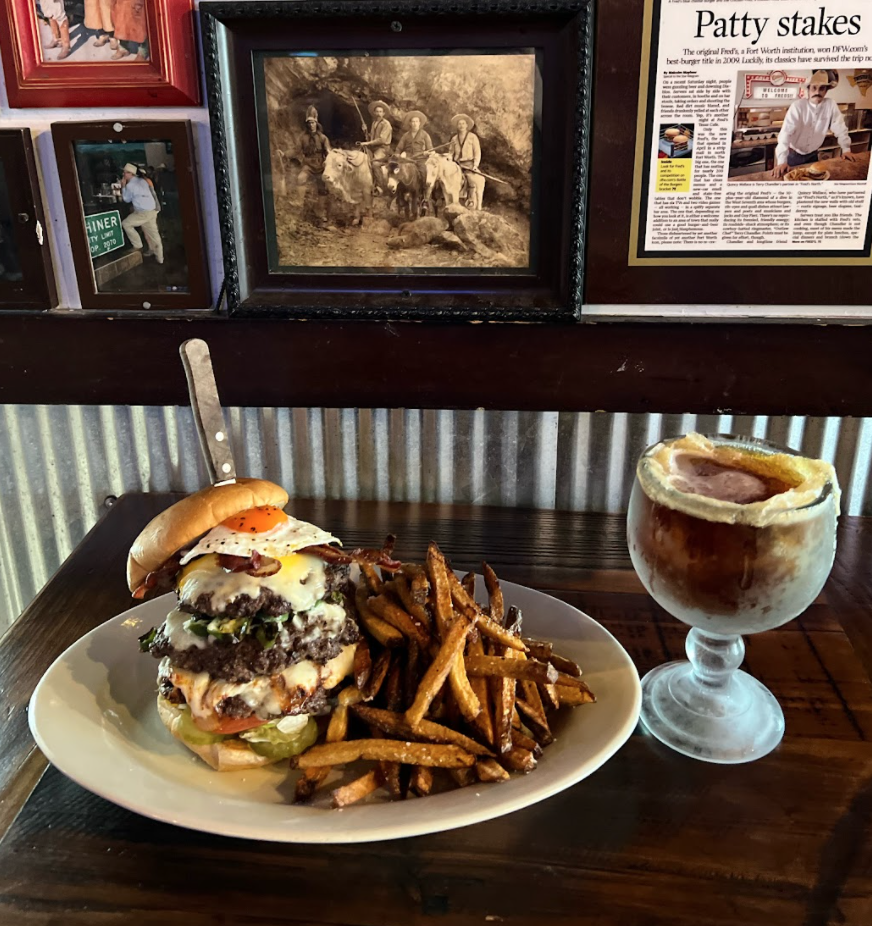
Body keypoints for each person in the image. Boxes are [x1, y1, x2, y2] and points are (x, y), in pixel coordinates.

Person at [772, 70, 856, 178]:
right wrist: (782, 161)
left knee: (812, 182)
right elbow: (785, 134)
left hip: (813, 155)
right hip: (793, 156)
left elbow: (840, 127)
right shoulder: (797, 106)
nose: (817, 92)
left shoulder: (830, 105)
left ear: (826, 91)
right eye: (814, 88)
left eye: (822, 88)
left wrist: (846, 149)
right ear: (808, 90)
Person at [120, 162, 163, 264]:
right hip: (152, 210)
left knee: (126, 224)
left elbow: (126, 199)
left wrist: (123, 186)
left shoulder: (130, 185)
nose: (124, 174)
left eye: (125, 173)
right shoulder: (142, 181)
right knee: (154, 234)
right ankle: (160, 258)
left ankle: (137, 245)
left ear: (131, 174)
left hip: (143, 212)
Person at [296, 106, 332, 227]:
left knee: (323, 189)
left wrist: (330, 158)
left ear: (316, 123)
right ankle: (299, 209)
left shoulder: (323, 138)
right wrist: (284, 154)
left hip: (320, 165)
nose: (311, 125)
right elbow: (295, 150)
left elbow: (329, 152)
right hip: (308, 165)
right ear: (307, 124)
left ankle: (321, 216)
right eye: (309, 123)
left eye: (313, 123)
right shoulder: (302, 138)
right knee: (300, 179)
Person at [448, 113, 485, 210]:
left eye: (463, 123)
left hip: (469, 164)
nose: (461, 126)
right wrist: (449, 159)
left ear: (467, 125)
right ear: (457, 126)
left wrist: (475, 165)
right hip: (457, 165)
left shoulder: (473, 137)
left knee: (471, 181)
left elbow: (477, 152)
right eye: (459, 124)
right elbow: (451, 153)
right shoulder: (454, 139)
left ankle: (471, 201)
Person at [359, 100, 392, 193]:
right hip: (373, 148)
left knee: (375, 164)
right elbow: (371, 138)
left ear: (384, 113)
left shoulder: (386, 124)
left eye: (380, 112)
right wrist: (365, 131)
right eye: (377, 111)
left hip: (382, 149)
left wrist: (367, 143)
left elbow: (381, 140)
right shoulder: (374, 123)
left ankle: (380, 187)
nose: (378, 113)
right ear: (374, 112)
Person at [394, 111, 433, 183]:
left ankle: (423, 191)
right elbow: (399, 148)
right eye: (413, 121)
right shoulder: (405, 135)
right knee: (397, 170)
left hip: (420, 159)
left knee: (423, 171)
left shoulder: (425, 135)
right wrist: (397, 154)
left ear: (419, 123)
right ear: (410, 123)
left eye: (416, 121)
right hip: (408, 158)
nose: (415, 123)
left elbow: (430, 149)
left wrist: (427, 153)